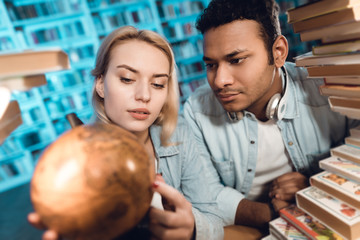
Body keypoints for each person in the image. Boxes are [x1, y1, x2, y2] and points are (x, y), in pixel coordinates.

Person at [28, 26, 241, 240]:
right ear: (100, 84)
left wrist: (192, 229)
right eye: (127, 79)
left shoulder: (178, 134)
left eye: (158, 84)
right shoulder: (75, 158)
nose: (144, 95)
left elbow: (213, 217)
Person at [183, 0, 360, 231]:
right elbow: (205, 194)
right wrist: (278, 211)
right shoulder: (196, 111)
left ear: (278, 53)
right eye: (211, 65)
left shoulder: (329, 86)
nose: (219, 81)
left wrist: (315, 183)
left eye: (236, 60)